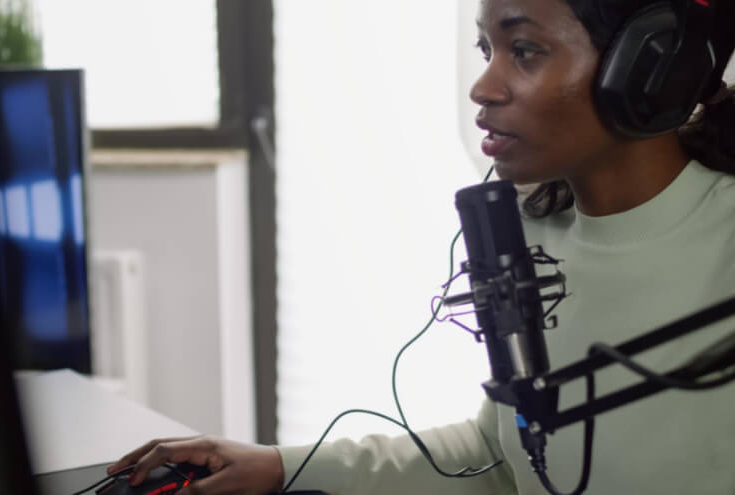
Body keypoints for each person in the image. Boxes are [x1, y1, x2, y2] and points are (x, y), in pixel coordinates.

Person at [108, 0, 735, 493]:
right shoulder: (528, 229)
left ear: (651, 70)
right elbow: (496, 454)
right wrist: (278, 466)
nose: (483, 88)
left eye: (523, 50)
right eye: (486, 49)